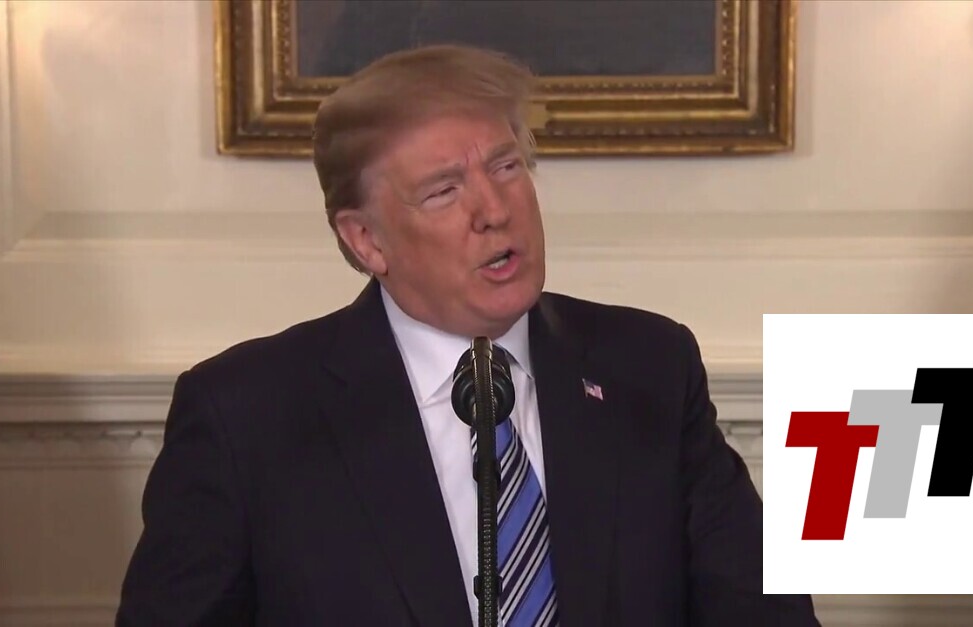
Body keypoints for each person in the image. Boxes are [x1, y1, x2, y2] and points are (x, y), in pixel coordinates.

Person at [117, 45, 819, 626]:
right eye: (444, 190)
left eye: (507, 167)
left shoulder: (648, 366)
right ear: (366, 240)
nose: (494, 209)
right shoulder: (246, 415)